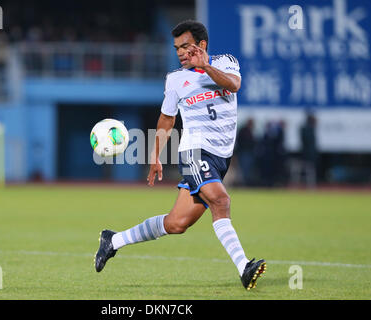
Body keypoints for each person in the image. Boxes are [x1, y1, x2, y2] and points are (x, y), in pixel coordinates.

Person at [94, 20, 266, 290]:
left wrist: (206, 66)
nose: (180, 53)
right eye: (177, 48)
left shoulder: (225, 62)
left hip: (221, 157)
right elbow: (166, 119)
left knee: (177, 223)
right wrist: (155, 155)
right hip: (195, 150)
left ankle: (113, 241)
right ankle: (244, 266)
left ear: (202, 46)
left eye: (185, 47)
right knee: (221, 201)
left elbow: (233, 85)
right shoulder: (175, 80)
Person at [236, 118, 257, 186]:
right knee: (245, 169)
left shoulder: (248, 130)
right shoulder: (244, 131)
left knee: (246, 169)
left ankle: (246, 182)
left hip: (247, 153)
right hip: (244, 153)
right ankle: (245, 183)